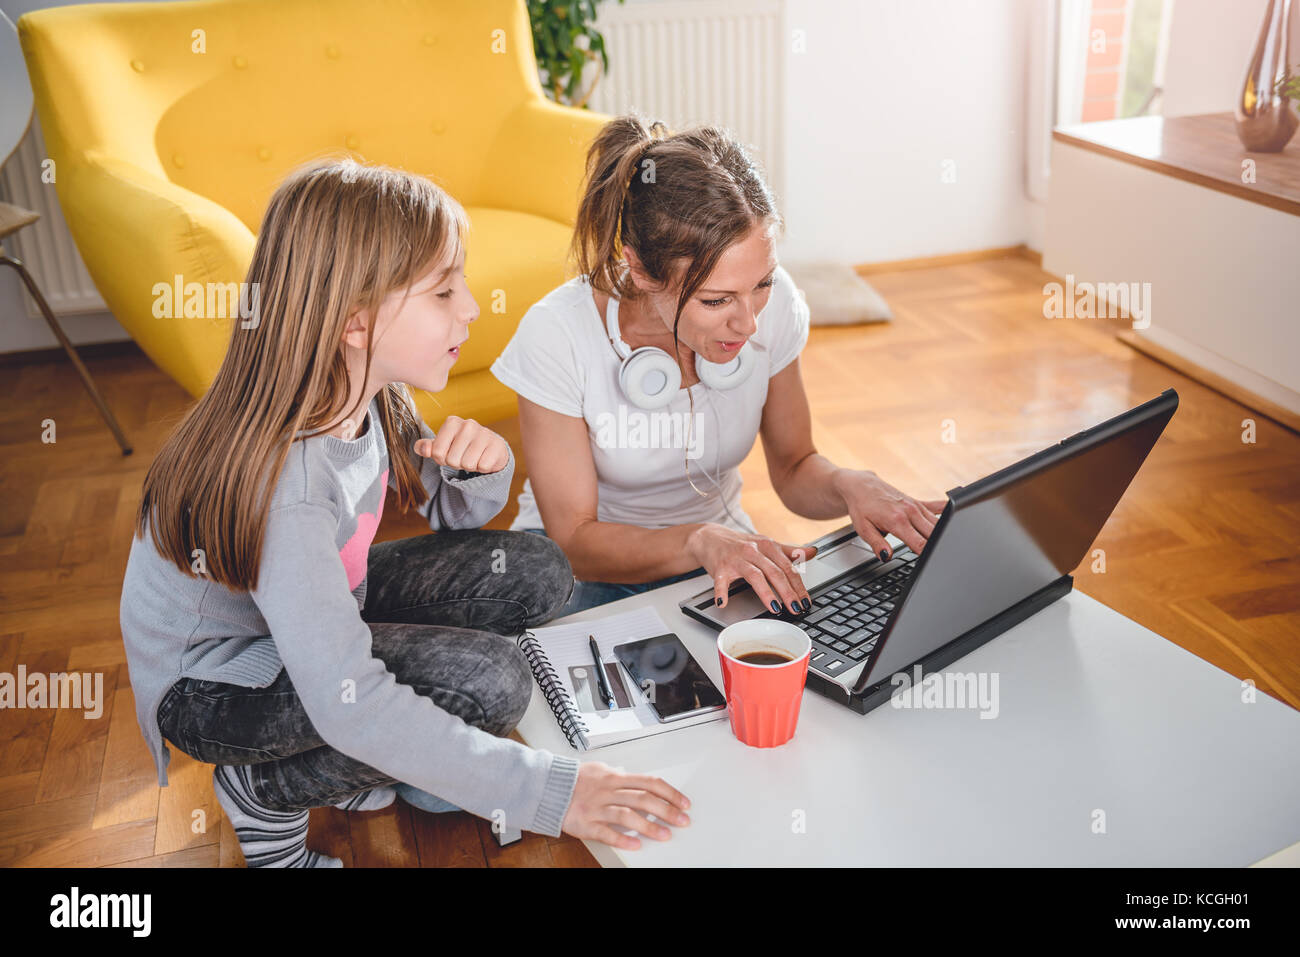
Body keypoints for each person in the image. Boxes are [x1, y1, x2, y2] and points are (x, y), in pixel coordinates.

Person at [118, 159, 691, 866]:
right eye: (444, 290)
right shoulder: (288, 486)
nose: (473, 307)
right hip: (217, 682)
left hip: (316, 610)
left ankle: (343, 758)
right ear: (356, 319)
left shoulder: (365, 390)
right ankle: (263, 785)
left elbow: (448, 511)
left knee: (539, 566)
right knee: (488, 683)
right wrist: (553, 792)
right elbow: (348, 700)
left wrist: (483, 469)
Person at [490, 114, 947, 618]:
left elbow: (795, 468)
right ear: (639, 269)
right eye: (716, 300)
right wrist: (699, 540)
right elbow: (575, 539)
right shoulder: (558, 334)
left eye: (762, 284)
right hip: (584, 568)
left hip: (716, 552)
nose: (749, 324)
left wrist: (847, 485)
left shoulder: (775, 309)